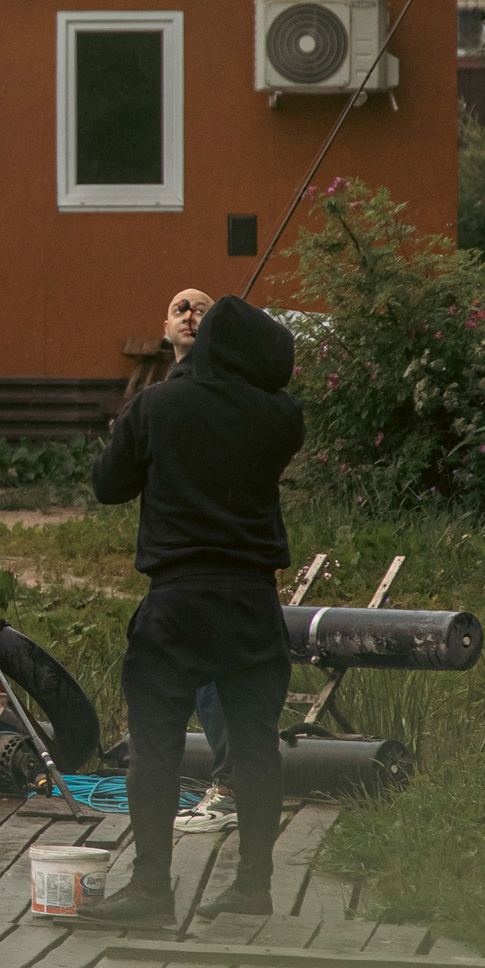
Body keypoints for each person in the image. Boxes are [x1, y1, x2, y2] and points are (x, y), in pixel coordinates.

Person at [90, 293, 304, 924]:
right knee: (257, 745)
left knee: (153, 746)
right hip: (251, 601)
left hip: (177, 601)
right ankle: (255, 887)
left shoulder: (157, 406)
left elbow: (109, 485)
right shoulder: (281, 418)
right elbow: (241, 407)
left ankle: (152, 887)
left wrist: (159, 399)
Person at [153, 287, 241, 838]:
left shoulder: (221, 387)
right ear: (166, 327)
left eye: (201, 309)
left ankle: (231, 789)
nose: (189, 314)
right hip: (177, 555)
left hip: (216, 552)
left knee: (213, 673)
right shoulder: (165, 391)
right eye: (179, 307)